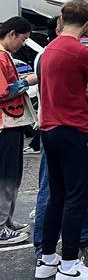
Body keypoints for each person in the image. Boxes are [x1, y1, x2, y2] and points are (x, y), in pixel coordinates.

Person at [36, 0, 88, 280]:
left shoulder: (49, 50)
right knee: (77, 197)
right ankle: (69, 265)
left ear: (62, 20)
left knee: (57, 196)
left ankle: (47, 258)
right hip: (74, 130)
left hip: (49, 129)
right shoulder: (81, 51)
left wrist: (84, 89)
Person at [0, 16, 35, 247]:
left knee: (13, 174)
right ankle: (1, 226)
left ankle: (7, 220)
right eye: (22, 40)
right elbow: (3, 92)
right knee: (5, 176)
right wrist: (28, 81)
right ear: (12, 34)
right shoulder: (0, 56)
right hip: (5, 125)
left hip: (11, 124)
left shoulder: (5, 55)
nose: (22, 44)